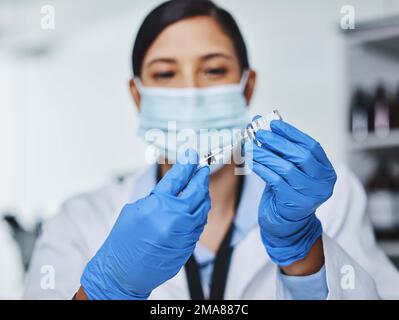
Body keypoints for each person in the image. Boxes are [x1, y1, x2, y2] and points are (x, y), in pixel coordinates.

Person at [24, 0, 399, 300]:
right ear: (138, 94)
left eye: (214, 71)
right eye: (166, 74)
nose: (191, 94)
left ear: (247, 86)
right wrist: (106, 291)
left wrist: (302, 253)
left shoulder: (328, 202)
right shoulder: (80, 222)